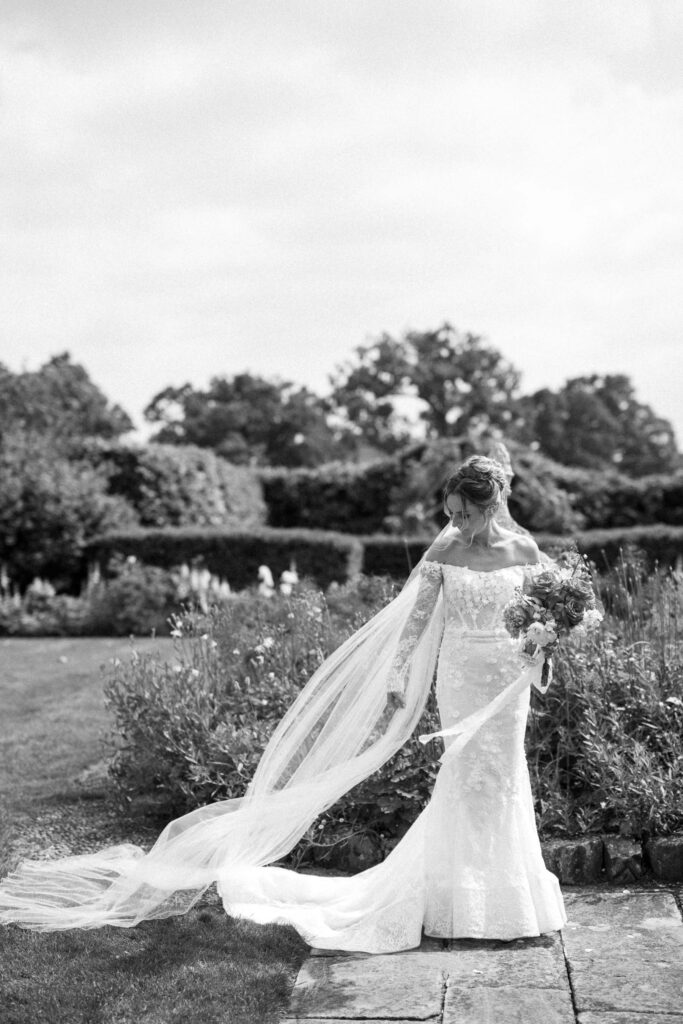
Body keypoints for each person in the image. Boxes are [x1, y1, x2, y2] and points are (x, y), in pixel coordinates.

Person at [0, 454, 566, 951]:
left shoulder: (525, 548)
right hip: (462, 674)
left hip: (508, 680)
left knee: (505, 777)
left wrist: (548, 636)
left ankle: (505, 896)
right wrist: (397, 675)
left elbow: (545, 609)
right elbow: (415, 622)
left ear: (490, 504)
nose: (454, 523)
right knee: (466, 776)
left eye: (462, 513)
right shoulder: (447, 551)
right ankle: (453, 900)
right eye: (449, 513)